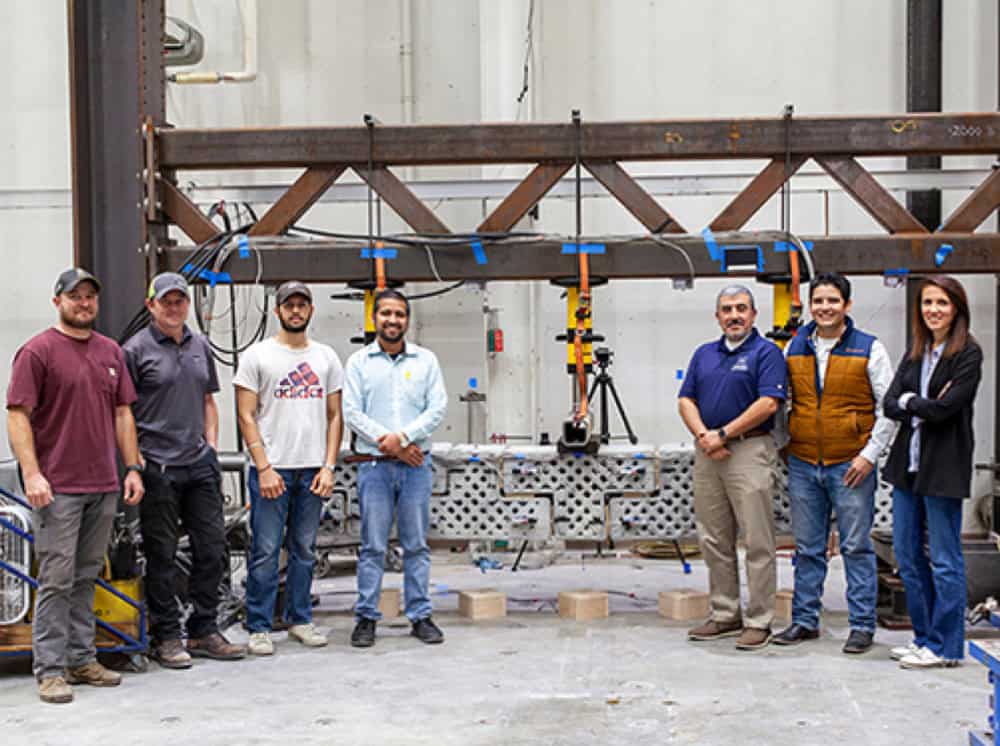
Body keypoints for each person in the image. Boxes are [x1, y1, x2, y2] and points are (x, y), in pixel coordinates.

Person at [6, 268, 144, 704]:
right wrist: (32, 473)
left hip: (103, 484)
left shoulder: (110, 353)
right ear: (57, 302)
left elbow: (123, 413)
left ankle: (82, 658)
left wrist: (132, 468)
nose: (83, 303)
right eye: (75, 296)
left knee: (86, 575)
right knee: (56, 579)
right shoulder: (38, 352)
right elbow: (18, 415)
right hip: (58, 486)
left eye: (89, 297)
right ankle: (49, 669)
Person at [123, 272, 245, 668]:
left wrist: (210, 445)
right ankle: (167, 635)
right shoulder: (135, 351)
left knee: (213, 548)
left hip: (199, 466)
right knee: (161, 554)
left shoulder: (200, 346)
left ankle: (204, 628)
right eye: (166, 301)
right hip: (157, 466)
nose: (173, 308)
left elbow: (209, 401)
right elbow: (122, 412)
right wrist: (134, 464)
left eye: (180, 301)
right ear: (151, 305)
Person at [773, 272, 895, 655]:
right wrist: (785, 448)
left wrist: (867, 456)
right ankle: (805, 620)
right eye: (818, 301)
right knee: (808, 548)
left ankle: (861, 625)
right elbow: (781, 402)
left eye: (832, 301)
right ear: (810, 305)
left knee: (856, 547)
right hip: (804, 463)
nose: (825, 308)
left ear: (847, 305)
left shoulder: (869, 349)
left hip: (851, 465)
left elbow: (888, 408)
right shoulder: (794, 348)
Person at [234, 281, 343, 656]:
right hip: (273, 471)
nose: (295, 311)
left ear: (311, 310)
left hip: (312, 471)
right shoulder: (257, 356)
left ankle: (300, 619)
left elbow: (334, 416)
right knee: (265, 551)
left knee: (304, 549)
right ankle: (259, 625)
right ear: (278, 310)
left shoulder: (326, 357)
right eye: (289, 305)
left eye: (302, 304)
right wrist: (263, 467)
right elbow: (246, 415)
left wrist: (329, 466)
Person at [678, 284, 787, 651]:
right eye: (727, 309)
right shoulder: (704, 354)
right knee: (714, 538)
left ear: (754, 315)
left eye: (741, 308)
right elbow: (685, 399)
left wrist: (723, 434)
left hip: (749, 450)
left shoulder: (767, 353)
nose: (734, 315)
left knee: (757, 540)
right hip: (708, 453)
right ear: (718, 316)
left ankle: (759, 621)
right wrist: (705, 436)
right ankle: (725, 614)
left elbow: (769, 403)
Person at [883, 275, 982, 669]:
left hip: (943, 469)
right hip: (908, 468)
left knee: (944, 559)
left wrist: (912, 404)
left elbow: (947, 409)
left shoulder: (968, 354)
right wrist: (917, 402)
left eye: (941, 303)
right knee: (907, 556)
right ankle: (924, 638)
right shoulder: (916, 352)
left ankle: (948, 646)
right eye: (927, 303)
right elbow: (890, 403)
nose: (933, 310)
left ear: (956, 307)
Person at [343, 289, 448, 648]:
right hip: (374, 466)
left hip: (416, 467)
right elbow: (352, 412)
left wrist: (402, 439)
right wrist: (388, 444)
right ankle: (366, 617)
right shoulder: (358, 363)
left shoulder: (426, 361)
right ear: (375, 317)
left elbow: (437, 409)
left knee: (416, 545)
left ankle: (420, 615)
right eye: (386, 313)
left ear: (407, 319)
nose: (392, 320)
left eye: (399, 314)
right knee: (372, 545)